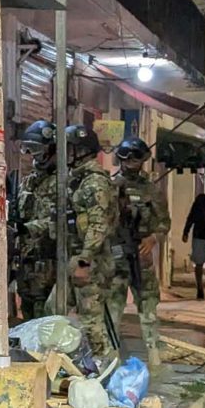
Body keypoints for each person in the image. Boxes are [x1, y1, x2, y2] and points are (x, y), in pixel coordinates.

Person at [109, 137, 170, 366]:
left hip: (140, 256)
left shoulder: (151, 189)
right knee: (113, 308)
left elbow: (164, 222)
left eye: (136, 160)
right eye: (127, 159)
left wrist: (153, 239)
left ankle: (154, 354)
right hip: (116, 257)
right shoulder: (110, 186)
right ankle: (111, 357)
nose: (131, 164)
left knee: (148, 309)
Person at [66, 124, 120, 359]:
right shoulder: (79, 179)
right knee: (53, 309)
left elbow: (99, 224)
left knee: (92, 323)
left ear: (81, 151)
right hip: (78, 257)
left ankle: (104, 371)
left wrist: (84, 261)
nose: (66, 153)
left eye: (70, 149)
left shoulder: (94, 182)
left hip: (91, 262)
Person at [13, 120, 60, 320]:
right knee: (28, 319)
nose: (33, 155)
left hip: (50, 266)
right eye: (30, 149)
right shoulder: (28, 182)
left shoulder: (63, 182)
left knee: (46, 323)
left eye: (38, 149)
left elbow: (63, 222)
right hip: (26, 267)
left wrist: (29, 228)